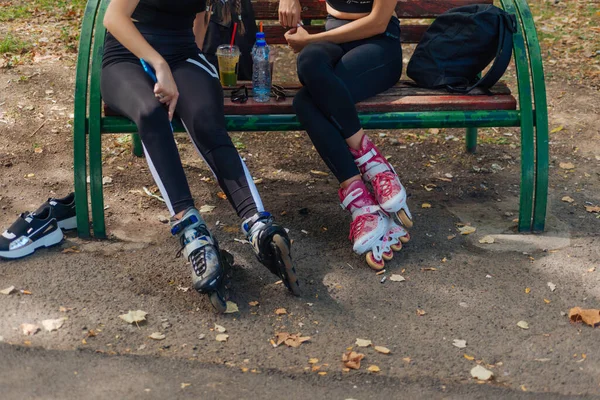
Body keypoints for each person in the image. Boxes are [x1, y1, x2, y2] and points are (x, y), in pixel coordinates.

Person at [101, 0, 300, 311]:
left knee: (206, 120)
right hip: (127, 56)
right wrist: (160, 66)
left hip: (182, 54)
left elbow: (199, 21)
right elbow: (114, 18)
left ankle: (258, 225)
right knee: (151, 112)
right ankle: (191, 230)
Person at [280, 0, 413, 270]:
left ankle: (369, 182)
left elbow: (377, 21)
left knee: (305, 103)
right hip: (335, 42)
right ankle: (368, 187)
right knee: (309, 61)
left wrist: (313, 39)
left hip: (378, 46)